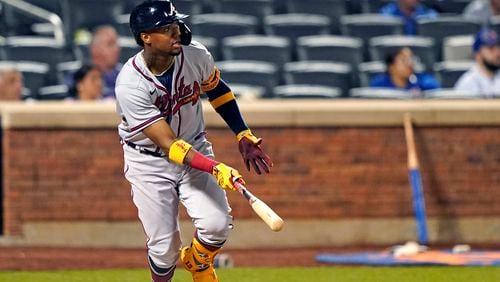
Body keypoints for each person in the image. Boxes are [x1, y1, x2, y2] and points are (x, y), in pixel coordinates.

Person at [115, 1, 273, 282]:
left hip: (194, 147)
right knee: (164, 251)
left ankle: (198, 263)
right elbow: (170, 145)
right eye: (166, 28)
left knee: (217, 226)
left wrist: (242, 132)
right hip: (149, 162)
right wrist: (214, 168)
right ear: (145, 37)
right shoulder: (130, 83)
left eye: (176, 25)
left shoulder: (195, 55)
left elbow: (218, 90)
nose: (176, 32)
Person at [370, 47, 440, 96]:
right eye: (404, 60)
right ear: (391, 67)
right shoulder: (379, 85)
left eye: (411, 59)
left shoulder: (424, 82)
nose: (409, 64)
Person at [454, 28, 500, 97]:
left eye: (498, 48)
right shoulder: (468, 82)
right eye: (491, 49)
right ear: (477, 54)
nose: (498, 53)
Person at [89, 25, 122, 99]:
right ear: (95, 50)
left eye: (116, 44)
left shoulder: (128, 75)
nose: (117, 49)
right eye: (110, 44)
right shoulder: (81, 79)